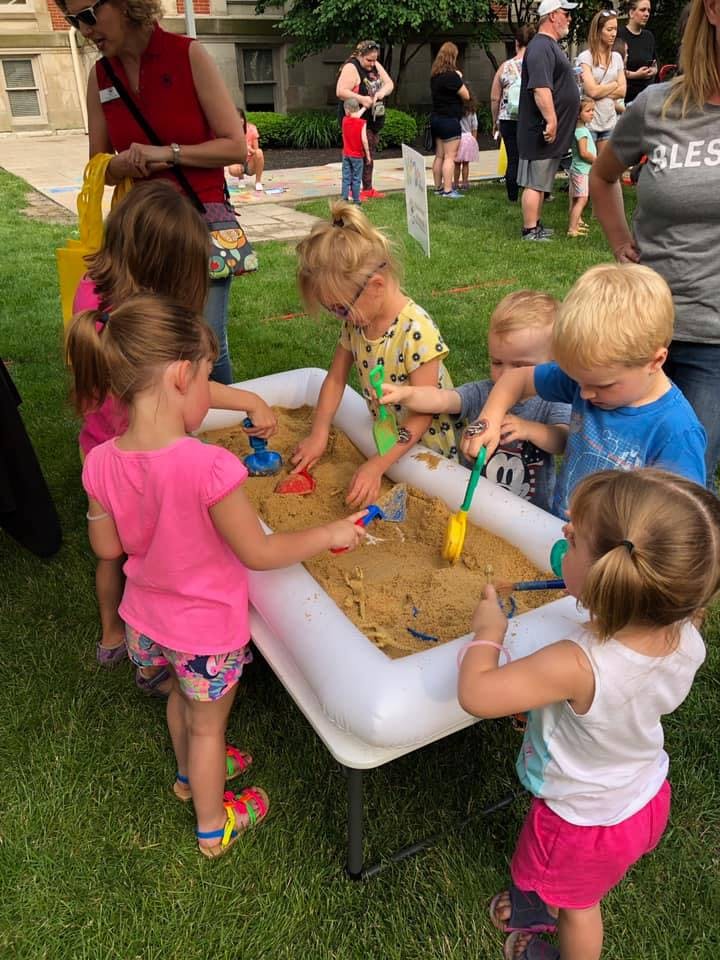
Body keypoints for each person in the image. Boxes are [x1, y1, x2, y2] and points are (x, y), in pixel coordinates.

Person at [67, 294, 366, 859]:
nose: (210, 391)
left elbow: (107, 547)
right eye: (208, 378)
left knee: (181, 704)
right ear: (182, 376)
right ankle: (212, 824)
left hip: (145, 622)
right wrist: (328, 533)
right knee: (208, 726)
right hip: (204, 633)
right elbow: (259, 551)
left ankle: (189, 776)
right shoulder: (210, 467)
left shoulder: (100, 460)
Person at [458, 467, 718, 960]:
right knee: (574, 888)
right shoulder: (683, 630)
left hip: (582, 822)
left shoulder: (575, 664)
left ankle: (560, 930)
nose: (563, 532)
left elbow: (477, 693)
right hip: (642, 793)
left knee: (581, 907)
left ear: (608, 578)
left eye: (574, 539)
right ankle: (541, 902)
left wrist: (488, 632)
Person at [73, 180, 276, 688]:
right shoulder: (146, 327)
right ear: (164, 268)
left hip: (101, 454)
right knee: (159, 543)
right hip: (138, 455)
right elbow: (180, 389)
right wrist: (243, 402)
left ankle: (114, 635)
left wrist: (248, 399)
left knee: (111, 554)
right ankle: (170, 635)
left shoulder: (95, 296)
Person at [57, 0, 247, 385]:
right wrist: (121, 165)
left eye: (89, 15)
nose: (85, 30)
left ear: (125, 4)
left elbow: (235, 147)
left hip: (199, 223)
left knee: (205, 344)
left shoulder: (188, 55)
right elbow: (99, 164)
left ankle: (224, 420)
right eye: (73, 20)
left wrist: (169, 153)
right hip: (144, 232)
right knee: (160, 346)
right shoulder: (100, 76)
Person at [591, 0, 720, 489]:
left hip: (713, 343)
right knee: (614, 476)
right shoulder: (657, 105)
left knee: (676, 491)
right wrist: (620, 242)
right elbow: (603, 175)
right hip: (639, 329)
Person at [461, 263, 707, 519]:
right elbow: (516, 379)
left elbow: (681, 522)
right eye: (578, 381)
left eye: (603, 385)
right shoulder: (586, 380)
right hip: (559, 527)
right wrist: (489, 419)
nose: (584, 394)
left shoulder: (676, 433)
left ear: (655, 361)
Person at [290, 201, 460, 508]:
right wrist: (319, 432)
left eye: (341, 308)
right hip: (389, 438)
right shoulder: (357, 323)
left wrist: (377, 465)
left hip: (429, 450)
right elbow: (335, 379)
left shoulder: (416, 331)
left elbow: (423, 414)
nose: (339, 317)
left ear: (376, 286)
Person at [379, 291, 570, 513]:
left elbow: (563, 440)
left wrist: (528, 429)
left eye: (519, 366)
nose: (505, 374)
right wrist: (408, 394)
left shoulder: (551, 400)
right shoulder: (482, 392)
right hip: (475, 503)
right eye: (497, 362)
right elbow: (443, 399)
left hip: (528, 511)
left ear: (553, 366)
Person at [517, 0, 580, 241]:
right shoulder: (541, 47)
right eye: (566, 14)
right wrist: (551, 121)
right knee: (535, 181)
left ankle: (536, 224)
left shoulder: (548, 46)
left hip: (547, 129)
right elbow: (540, 88)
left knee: (542, 181)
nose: (569, 19)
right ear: (553, 15)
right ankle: (529, 229)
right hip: (540, 129)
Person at [336, 40, 394, 201]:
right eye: (369, 60)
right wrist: (362, 99)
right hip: (356, 120)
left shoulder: (375, 65)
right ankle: (352, 190)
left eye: (375, 60)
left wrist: (381, 93)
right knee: (358, 155)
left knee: (369, 152)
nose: (372, 64)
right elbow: (340, 91)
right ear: (360, 56)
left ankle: (367, 188)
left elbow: (389, 84)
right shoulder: (351, 67)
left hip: (372, 118)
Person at [491, 26, 536, 203]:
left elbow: (495, 97)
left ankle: (512, 196)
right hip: (530, 118)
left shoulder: (505, 67)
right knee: (533, 158)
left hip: (508, 118)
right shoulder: (536, 65)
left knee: (513, 159)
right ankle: (535, 193)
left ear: (516, 43)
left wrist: (495, 121)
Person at [576, 10, 626, 151]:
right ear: (598, 31)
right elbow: (591, 91)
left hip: (610, 122)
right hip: (590, 123)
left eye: (615, 29)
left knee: (606, 164)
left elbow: (622, 91)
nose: (613, 34)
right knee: (588, 163)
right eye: (609, 29)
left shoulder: (617, 57)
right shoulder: (585, 57)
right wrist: (614, 84)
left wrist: (599, 89)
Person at [430, 42, 471, 199]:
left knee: (439, 156)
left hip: (436, 118)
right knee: (450, 156)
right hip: (449, 120)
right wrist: (459, 77)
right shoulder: (452, 76)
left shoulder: (435, 76)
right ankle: (448, 190)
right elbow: (466, 95)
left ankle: (438, 187)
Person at [567, 98, 596, 236]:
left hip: (576, 169)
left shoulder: (579, 129)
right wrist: (597, 161)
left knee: (575, 198)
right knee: (582, 199)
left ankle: (576, 222)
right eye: (588, 111)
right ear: (578, 115)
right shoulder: (582, 132)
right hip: (582, 171)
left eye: (593, 110)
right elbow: (584, 153)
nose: (592, 113)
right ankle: (572, 229)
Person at [618, 0, 657, 104]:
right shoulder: (619, 36)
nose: (647, 14)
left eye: (648, 10)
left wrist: (653, 70)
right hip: (625, 99)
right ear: (631, 13)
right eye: (643, 10)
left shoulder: (649, 36)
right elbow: (613, 70)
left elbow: (655, 63)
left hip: (647, 99)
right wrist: (635, 75)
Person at [339, 97, 370, 204]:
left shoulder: (344, 120)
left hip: (346, 154)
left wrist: (365, 107)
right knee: (356, 178)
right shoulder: (362, 123)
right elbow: (364, 141)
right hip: (357, 156)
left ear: (347, 110)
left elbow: (354, 116)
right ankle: (356, 200)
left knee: (346, 178)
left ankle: (344, 199)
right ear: (357, 108)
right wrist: (368, 155)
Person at [227, 108, 265, 192]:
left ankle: (258, 181)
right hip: (239, 160)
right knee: (232, 169)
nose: (239, 121)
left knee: (259, 152)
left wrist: (249, 149)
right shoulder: (230, 131)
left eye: (240, 118)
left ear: (243, 118)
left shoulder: (251, 128)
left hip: (250, 162)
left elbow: (256, 151)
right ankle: (241, 179)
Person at [453, 94, 481, 191]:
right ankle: (465, 183)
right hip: (468, 138)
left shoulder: (455, 112)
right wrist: (474, 140)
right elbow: (475, 126)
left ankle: (455, 183)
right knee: (465, 164)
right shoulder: (472, 112)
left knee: (457, 164)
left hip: (457, 138)